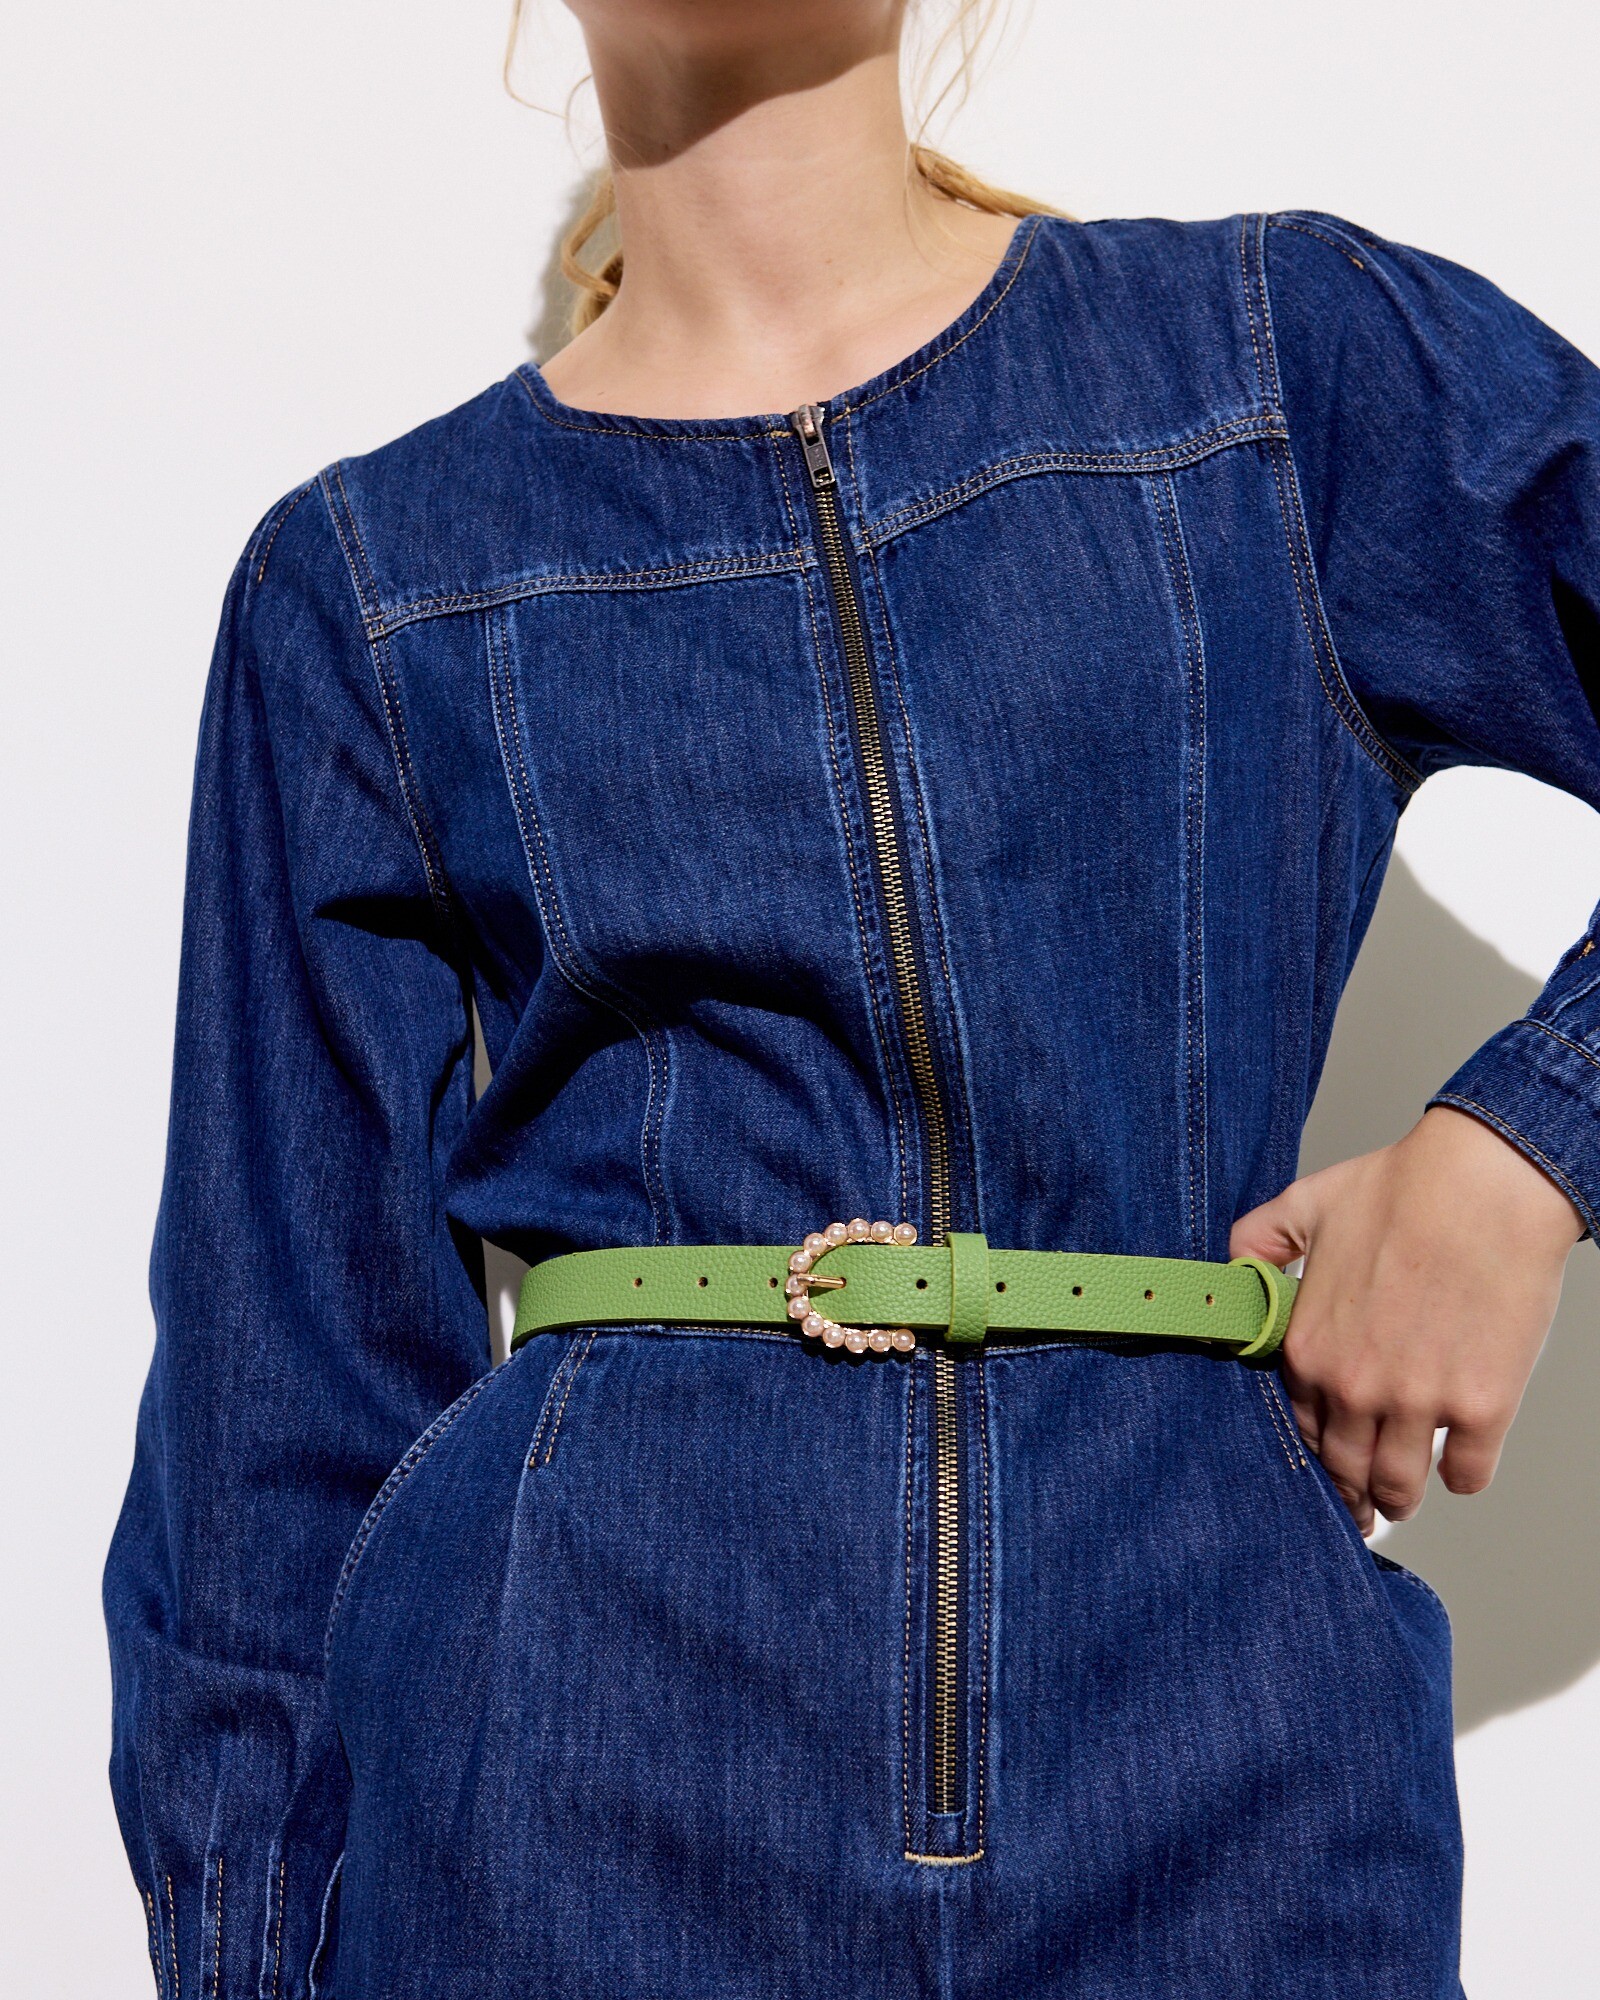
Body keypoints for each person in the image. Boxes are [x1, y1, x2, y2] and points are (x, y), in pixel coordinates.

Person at [105, 2, 1600, 1995]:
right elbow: (269, 1449)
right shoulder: (367, 583)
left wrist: (1522, 1147)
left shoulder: (1278, 374)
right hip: (564, 1815)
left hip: (1234, 1779)